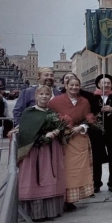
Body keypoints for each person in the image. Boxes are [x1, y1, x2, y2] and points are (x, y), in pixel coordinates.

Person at [15, 85, 66, 220]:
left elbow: (59, 129)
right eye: (41, 94)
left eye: (47, 94)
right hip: (34, 152)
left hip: (50, 151)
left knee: (50, 176)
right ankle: (35, 213)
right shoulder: (28, 112)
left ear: (50, 97)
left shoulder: (52, 113)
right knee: (34, 177)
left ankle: (51, 211)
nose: (44, 96)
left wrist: (57, 132)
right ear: (36, 96)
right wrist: (43, 137)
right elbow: (26, 133)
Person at [48, 78, 94, 212]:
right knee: (63, 169)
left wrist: (81, 127)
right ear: (66, 86)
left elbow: (88, 118)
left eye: (77, 85)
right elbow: (49, 118)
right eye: (71, 85)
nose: (74, 87)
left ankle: (72, 199)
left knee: (77, 170)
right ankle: (60, 197)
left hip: (78, 138)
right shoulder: (55, 101)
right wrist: (60, 127)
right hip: (62, 140)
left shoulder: (84, 101)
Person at [91, 74, 112, 193]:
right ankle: (96, 183)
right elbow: (88, 113)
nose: (105, 85)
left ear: (111, 85)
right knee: (96, 158)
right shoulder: (93, 98)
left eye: (108, 83)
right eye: (103, 82)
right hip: (96, 132)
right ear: (98, 84)